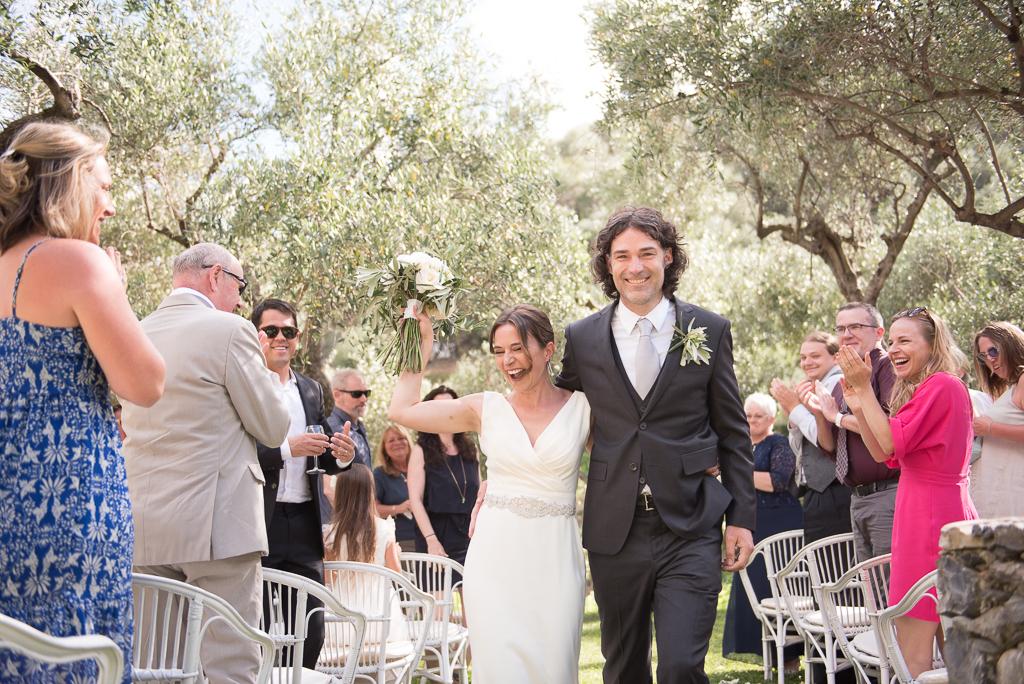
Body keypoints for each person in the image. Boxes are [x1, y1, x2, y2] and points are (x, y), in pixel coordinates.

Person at [555, 206, 756, 684]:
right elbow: (559, 418)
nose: (635, 266)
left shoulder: (709, 329)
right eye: (622, 256)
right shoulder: (582, 338)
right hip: (613, 529)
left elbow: (733, 432)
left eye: (647, 252)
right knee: (623, 668)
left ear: (668, 256)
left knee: (682, 666)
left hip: (690, 523)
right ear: (608, 264)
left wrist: (742, 519)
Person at [0, 121, 165, 683]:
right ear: (68, 184)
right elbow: (146, 383)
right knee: (77, 658)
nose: (111, 207)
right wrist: (114, 290)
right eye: (105, 187)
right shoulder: (78, 262)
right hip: (66, 511)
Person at [389, 304, 590, 683]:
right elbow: (402, 410)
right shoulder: (485, 409)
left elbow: (627, 462)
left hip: (556, 558)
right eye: (499, 351)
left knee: (556, 667)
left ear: (547, 350)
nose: (508, 360)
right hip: (495, 558)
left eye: (517, 348)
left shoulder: (583, 409)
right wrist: (420, 340)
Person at [121, 242, 291, 684]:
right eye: (240, 287)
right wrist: (269, 370)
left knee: (158, 667)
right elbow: (273, 427)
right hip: (219, 525)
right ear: (216, 277)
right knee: (230, 667)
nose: (240, 300)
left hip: (147, 529)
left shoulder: (134, 331)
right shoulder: (230, 331)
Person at [835, 307, 976, 679]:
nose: (894, 348)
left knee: (913, 657)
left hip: (929, 520)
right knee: (956, 657)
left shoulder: (941, 385)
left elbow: (887, 440)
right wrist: (859, 403)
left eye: (905, 340)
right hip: (931, 514)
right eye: (891, 340)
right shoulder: (935, 387)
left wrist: (865, 390)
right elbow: (883, 451)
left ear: (932, 345)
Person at [252, 298, 357, 669]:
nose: (281, 337)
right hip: (259, 522)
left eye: (289, 331)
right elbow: (236, 453)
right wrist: (286, 449)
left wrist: (341, 455)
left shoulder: (311, 389)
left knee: (312, 632)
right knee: (262, 633)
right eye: (272, 331)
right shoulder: (246, 382)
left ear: (298, 338)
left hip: (306, 523)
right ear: (257, 335)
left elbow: (323, 454)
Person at [811, 302, 898, 563]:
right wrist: (821, 414)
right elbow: (830, 447)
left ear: (879, 333)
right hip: (858, 498)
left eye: (856, 326)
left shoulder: (887, 368)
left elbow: (888, 430)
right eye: (841, 328)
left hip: (887, 493)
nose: (846, 334)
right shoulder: (843, 377)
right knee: (870, 588)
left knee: (888, 585)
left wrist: (837, 417)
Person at [723, 394, 803, 669]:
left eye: (758, 415)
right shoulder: (741, 446)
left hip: (780, 521)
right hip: (751, 522)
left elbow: (777, 482)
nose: (752, 420)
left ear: (771, 419)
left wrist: (735, 471)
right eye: (748, 415)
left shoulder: (778, 443)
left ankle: (790, 657)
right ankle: (764, 653)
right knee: (753, 587)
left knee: (777, 584)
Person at [771, 331, 852, 542]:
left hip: (837, 491)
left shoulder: (837, 384)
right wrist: (794, 413)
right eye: (803, 357)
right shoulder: (811, 386)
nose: (807, 362)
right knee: (823, 570)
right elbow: (800, 450)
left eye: (815, 356)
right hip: (816, 493)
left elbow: (827, 442)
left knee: (836, 568)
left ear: (835, 357)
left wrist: (794, 407)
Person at [406, 385, 481, 572]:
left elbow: (479, 494)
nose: (446, 412)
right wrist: (431, 540)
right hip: (435, 535)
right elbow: (415, 500)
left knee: (472, 599)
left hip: (469, 535)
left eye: (451, 405)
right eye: (440, 407)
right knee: (438, 599)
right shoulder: (420, 450)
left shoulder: (471, 449)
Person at [969, 321, 1024, 516]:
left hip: (1015, 503)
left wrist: (990, 428)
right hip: (1000, 504)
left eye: (993, 351)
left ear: (1010, 344)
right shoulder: (1013, 386)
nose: (990, 360)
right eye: (984, 356)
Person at [373, 424, 418, 552]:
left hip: (430, 537)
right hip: (400, 540)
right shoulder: (379, 474)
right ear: (384, 448)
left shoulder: (422, 468)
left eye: (401, 438)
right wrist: (399, 508)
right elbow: (372, 509)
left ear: (408, 441)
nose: (397, 443)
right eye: (391, 440)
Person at [327, 368, 373, 468]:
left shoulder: (358, 425)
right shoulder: (333, 429)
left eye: (366, 393)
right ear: (337, 395)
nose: (364, 399)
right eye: (356, 394)